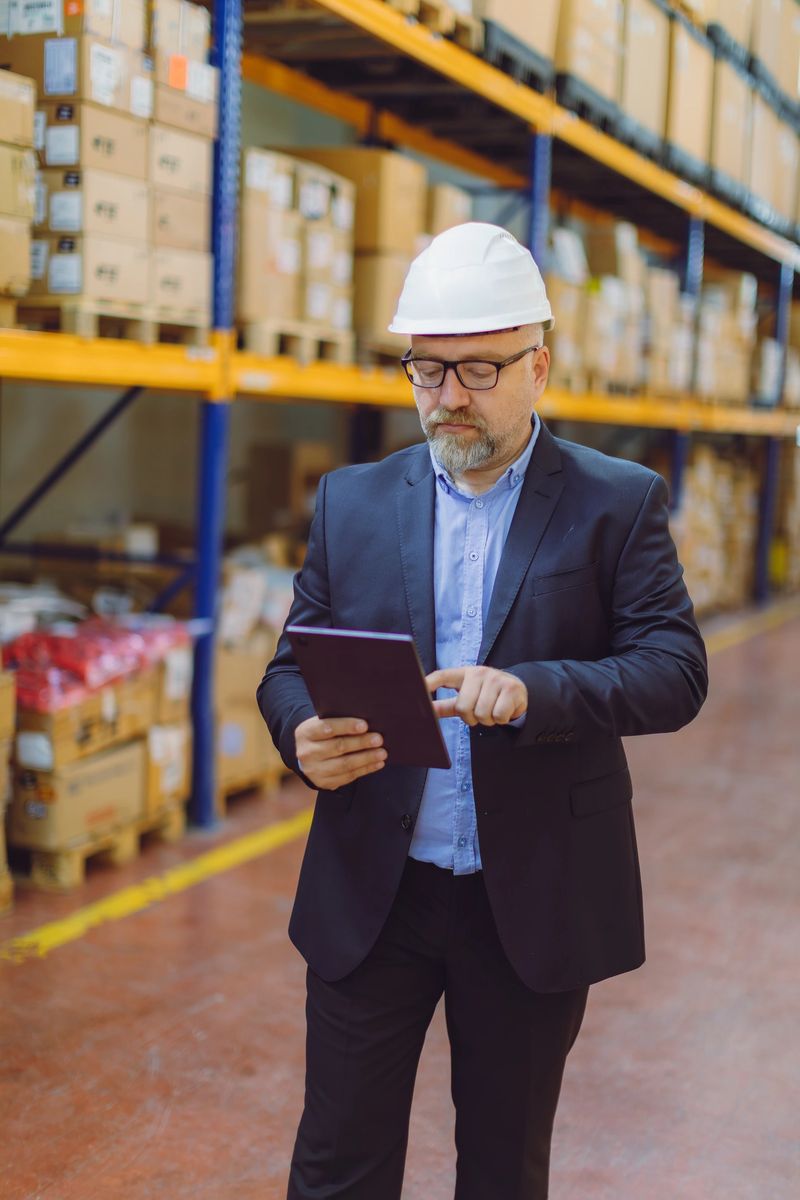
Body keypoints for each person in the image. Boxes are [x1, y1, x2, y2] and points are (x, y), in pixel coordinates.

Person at [257, 223, 708, 1200]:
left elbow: (674, 671)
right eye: (426, 369)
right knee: (336, 1165)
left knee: (502, 1170)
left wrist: (539, 689)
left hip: (528, 898)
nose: (448, 395)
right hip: (374, 892)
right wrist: (299, 734)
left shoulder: (615, 504)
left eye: (477, 369)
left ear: (537, 367)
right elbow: (289, 666)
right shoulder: (351, 503)